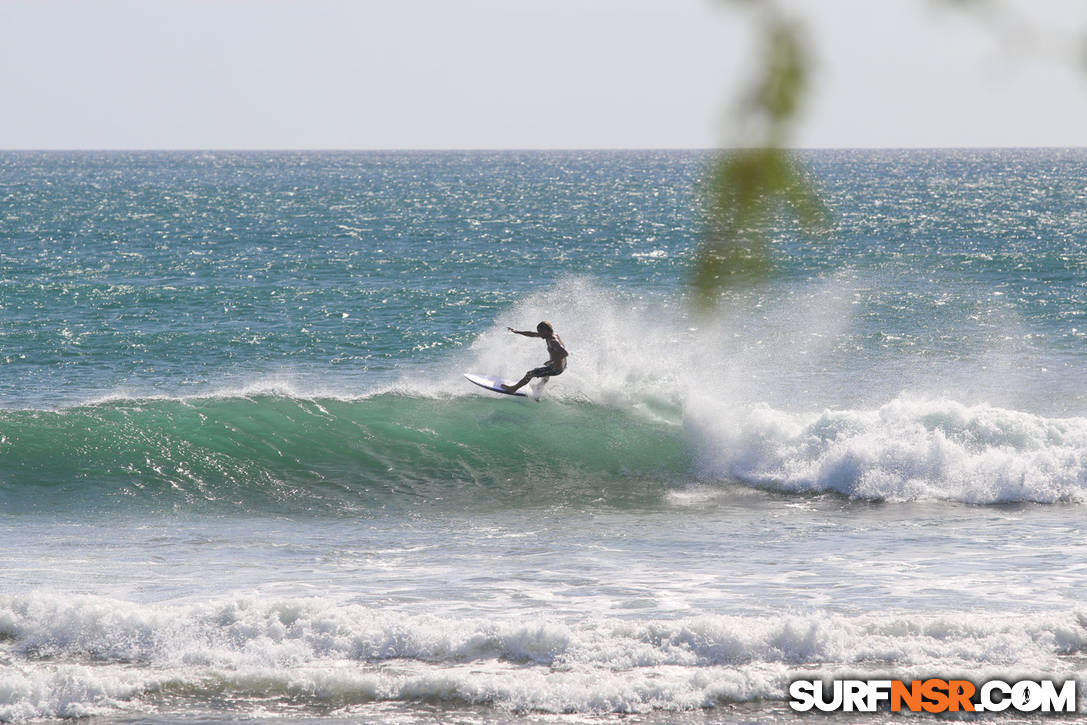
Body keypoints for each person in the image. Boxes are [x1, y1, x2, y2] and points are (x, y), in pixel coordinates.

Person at [501, 321, 568, 394]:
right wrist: (517, 332)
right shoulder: (550, 334)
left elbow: (565, 353)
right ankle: (539, 388)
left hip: (556, 369)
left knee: (530, 374)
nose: (538, 334)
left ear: (545, 331)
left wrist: (552, 361)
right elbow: (532, 334)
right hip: (561, 365)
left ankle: (513, 389)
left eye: (540, 332)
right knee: (545, 369)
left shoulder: (553, 341)